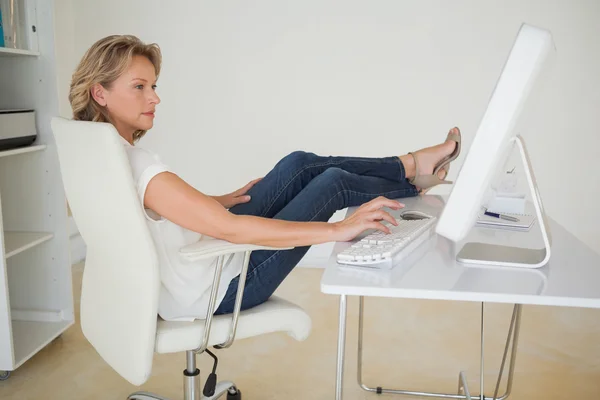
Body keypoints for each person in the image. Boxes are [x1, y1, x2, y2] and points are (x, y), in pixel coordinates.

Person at [68, 35, 461, 321]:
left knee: (299, 164)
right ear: (100, 94)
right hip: (218, 290)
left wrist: (214, 201)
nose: (154, 98)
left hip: (198, 267)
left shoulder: (100, 153)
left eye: (153, 86)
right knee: (333, 184)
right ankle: (413, 178)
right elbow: (233, 232)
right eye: (139, 87)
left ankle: (410, 167)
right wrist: (336, 231)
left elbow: (149, 213)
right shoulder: (141, 169)